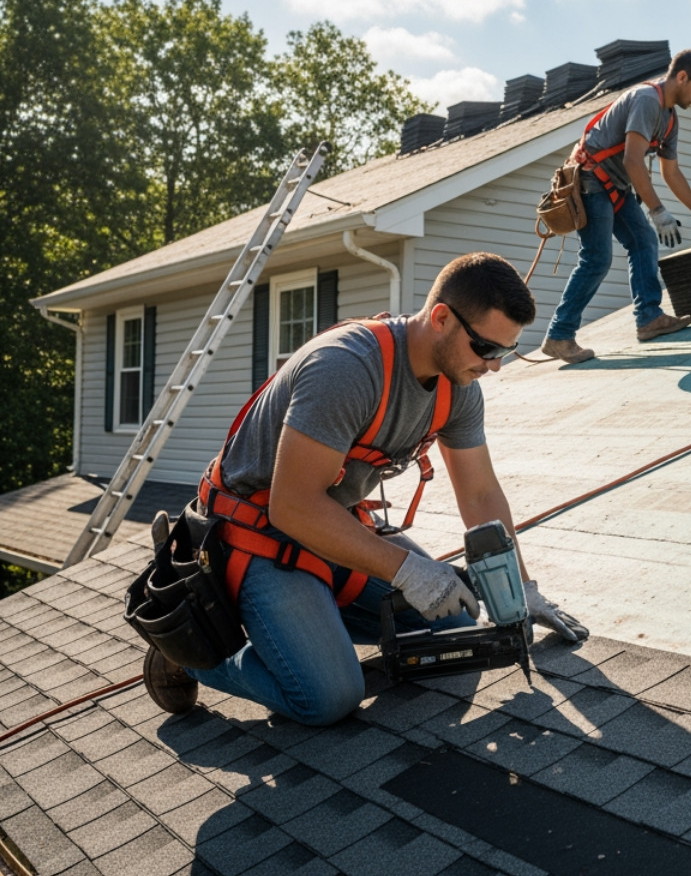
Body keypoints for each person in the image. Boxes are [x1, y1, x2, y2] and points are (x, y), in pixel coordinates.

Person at [141, 253, 585, 725]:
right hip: (258, 537)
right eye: (487, 349)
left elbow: (480, 495)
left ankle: (308, 634)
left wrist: (520, 587)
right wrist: (410, 573)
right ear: (440, 319)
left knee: (456, 626)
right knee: (329, 697)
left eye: (505, 352)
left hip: (333, 530)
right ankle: (190, 652)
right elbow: (292, 507)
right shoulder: (346, 368)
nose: (493, 367)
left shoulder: (459, 388)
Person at [539, 49, 691, 364]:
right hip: (591, 180)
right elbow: (632, 160)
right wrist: (658, 212)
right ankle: (559, 335)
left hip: (616, 186)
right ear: (682, 77)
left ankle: (648, 318)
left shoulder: (669, 119)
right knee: (597, 259)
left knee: (643, 241)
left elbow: (671, 172)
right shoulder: (646, 101)